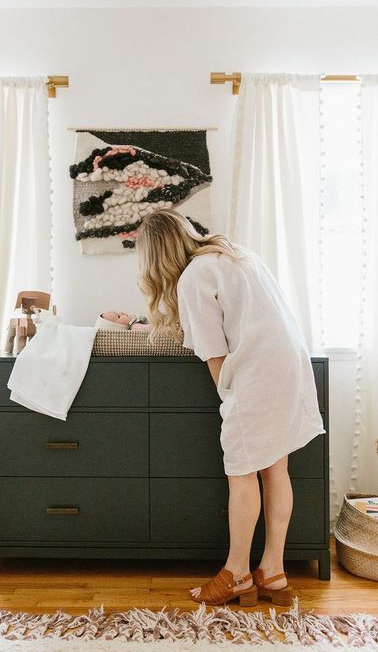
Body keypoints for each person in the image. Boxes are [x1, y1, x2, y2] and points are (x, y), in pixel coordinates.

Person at [136, 208, 325, 607]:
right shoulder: (236, 255)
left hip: (258, 372)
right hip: (292, 364)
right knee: (276, 469)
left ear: (155, 258)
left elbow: (214, 354)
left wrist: (231, 402)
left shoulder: (193, 278)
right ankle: (272, 573)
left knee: (241, 474)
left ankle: (237, 574)